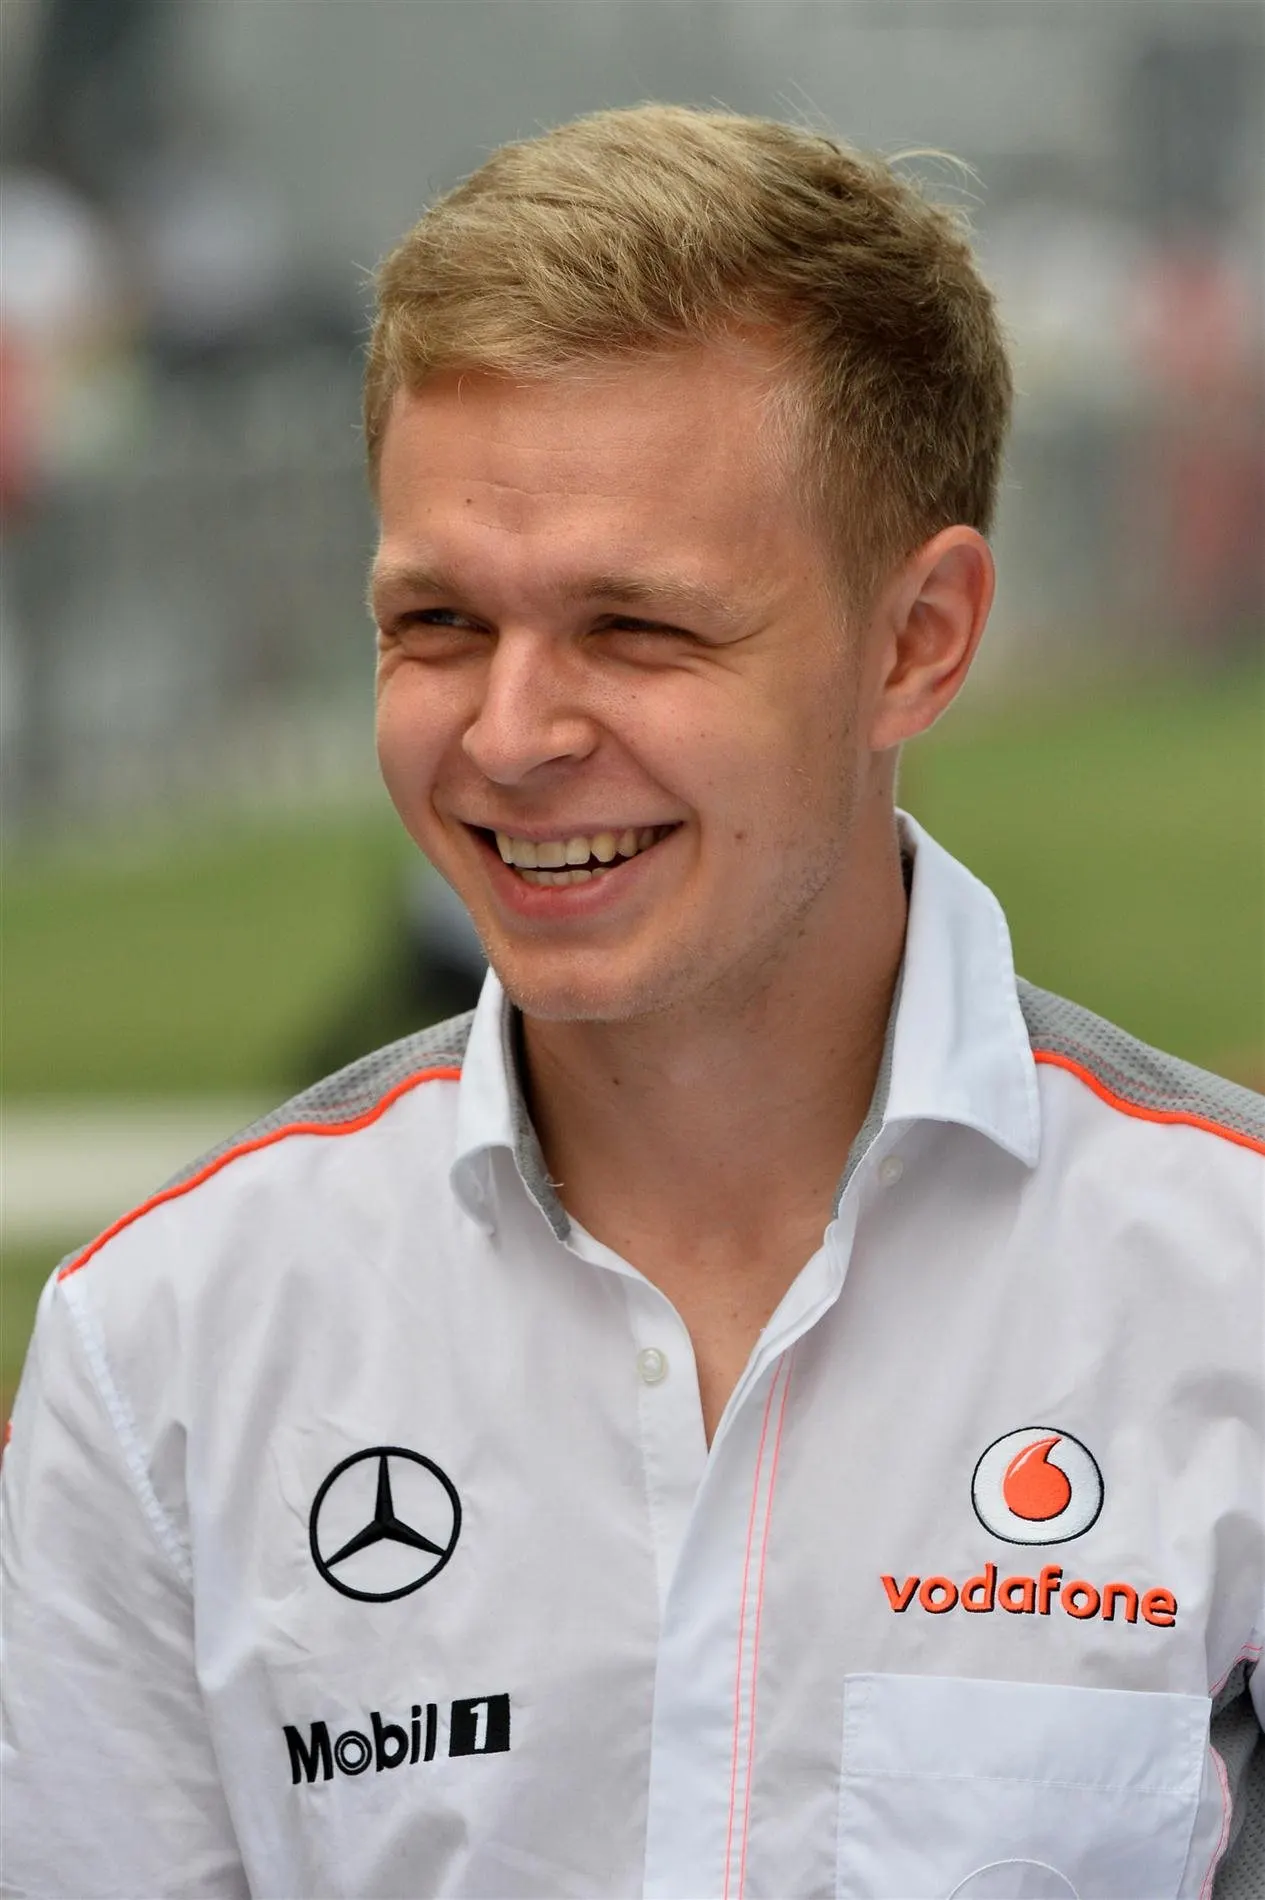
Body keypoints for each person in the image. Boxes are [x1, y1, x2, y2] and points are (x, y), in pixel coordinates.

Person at [2, 106, 1261, 1900]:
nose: (511, 735)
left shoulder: (1231, 1297)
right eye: (436, 624)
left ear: (920, 639)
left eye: (638, 630)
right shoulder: (164, 1351)